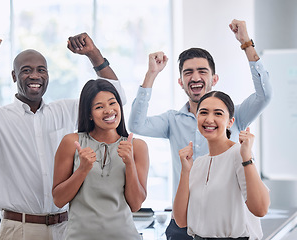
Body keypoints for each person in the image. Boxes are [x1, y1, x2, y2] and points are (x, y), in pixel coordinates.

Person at [0, 33, 126, 240]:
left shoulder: (66, 111)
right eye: (26, 71)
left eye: (41, 70)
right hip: (20, 229)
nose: (35, 76)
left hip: (67, 227)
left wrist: (93, 54)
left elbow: (116, 97)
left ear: (48, 76)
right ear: (14, 76)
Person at [128, 19, 272, 239]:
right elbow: (136, 125)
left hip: (223, 222)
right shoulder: (172, 120)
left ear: (214, 78)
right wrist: (151, 74)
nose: (195, 77)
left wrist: (246, 43)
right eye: (188, 73)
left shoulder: (235, 116)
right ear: (180, 81)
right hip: (184, 218)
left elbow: (265, 95)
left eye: (202, 71)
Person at [52, 79, 149, 240]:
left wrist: (129, 163)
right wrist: (82, 170)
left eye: (113, 103)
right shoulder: (71, 142)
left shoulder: (137, 146)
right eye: (99, 107)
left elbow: (136, 204)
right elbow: (58, 200)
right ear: (89, 114)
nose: (108, 111)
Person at [173, 91, 270, 240]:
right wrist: (185, 171)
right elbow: (180, 221)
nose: (209, 119)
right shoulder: (198, 163)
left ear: (230, 122)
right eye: (203, 112)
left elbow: (261, 209)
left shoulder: (239, 154)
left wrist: (247, 157)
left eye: (218, 114)